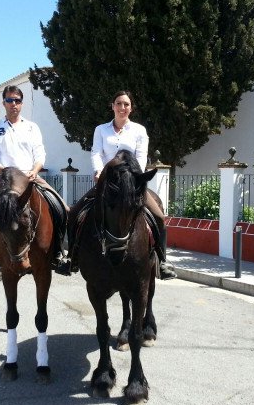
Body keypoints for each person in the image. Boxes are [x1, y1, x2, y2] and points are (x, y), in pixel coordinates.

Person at [56, 90, 177, 280]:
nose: (122, 107)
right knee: (74, 213)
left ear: (131, 108)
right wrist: (98, 171)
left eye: (126, 104)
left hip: (131, 185)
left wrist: (134, 177)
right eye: (119, 104)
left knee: (159, 217)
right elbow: (96, 152)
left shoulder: (139, 130)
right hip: (106, 184)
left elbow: (141, 156)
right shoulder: (101, 130)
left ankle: (162, 262)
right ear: (112, 106)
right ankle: (71, 257)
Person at [0, 85, 66, 272]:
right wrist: (1, 168)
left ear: (22, 103)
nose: (14, 104)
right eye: (10, 100)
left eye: (17, 100)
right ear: (3, 103)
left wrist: (35, 170)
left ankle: (59, 254)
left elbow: (40, 153)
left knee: (61, 206)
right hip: (4, 178)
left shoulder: (31, 127)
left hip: (29, 177)